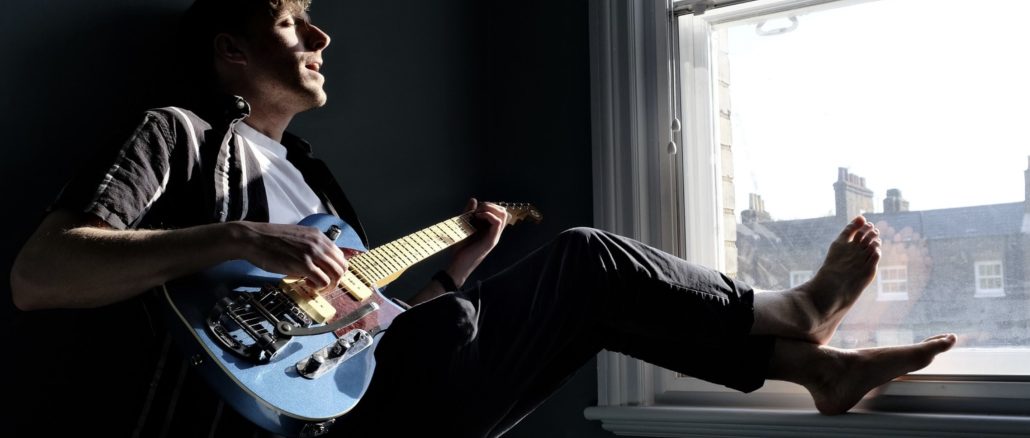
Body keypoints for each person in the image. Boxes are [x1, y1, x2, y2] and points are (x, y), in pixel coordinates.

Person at [9, 0, 956, 436]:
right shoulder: (176, 136)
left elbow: (363, 331)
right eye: (295, 18)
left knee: (581, 297)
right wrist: (241, 236)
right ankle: (789, 319)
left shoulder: (315, 178)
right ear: (227, 48)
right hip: (282, 418)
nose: (323, 35)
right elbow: (41, 273)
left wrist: (463, 263)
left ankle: (817, 369)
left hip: (377, 389)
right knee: (587, 257)